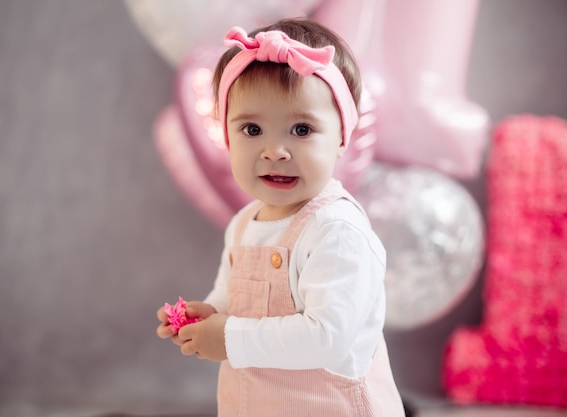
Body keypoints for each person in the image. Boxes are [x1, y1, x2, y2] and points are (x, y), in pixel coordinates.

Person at [157, 17, 404, 416]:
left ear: (342, 137)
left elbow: (327, 336)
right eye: (252, 129)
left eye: (301, 130)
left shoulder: (335, 230)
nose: (275, 150)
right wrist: (210, 315)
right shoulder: (243, 225)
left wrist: (232, 338)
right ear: (226, 135)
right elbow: (232, 297)